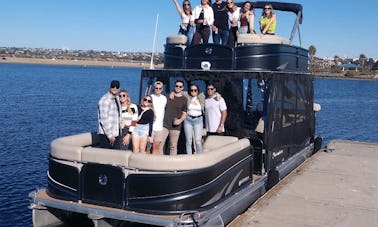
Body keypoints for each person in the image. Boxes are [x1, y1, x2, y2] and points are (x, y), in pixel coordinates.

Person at [161, 80, 188, 155]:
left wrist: (180, 120)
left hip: (176, 126)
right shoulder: (167, 96)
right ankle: (160, 161)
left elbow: (185, 113)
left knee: (173, 146)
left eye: (180, 86)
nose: (178, 87)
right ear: (174, 86)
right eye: (176, 86)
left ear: (182, 88)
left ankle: (172, 164)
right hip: (165, 124)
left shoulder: (184, 99)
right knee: (161, 143)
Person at [97, 80, 121, 149]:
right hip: (106, 135)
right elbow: (103, 119)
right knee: (106, 158)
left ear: (119, 88)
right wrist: (109, 135)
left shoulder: (116, 98)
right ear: (109, 87)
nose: (115, 88)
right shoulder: (105, 100)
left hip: (115, 134)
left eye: (117, 87)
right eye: (113, 86)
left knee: (115, 157)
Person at [183, 84, 205, 154]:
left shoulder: (201, 96)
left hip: (198, 120)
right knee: (189, 140)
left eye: (195, 90)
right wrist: (172, 93)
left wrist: (217, 94)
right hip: (188, 120)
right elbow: (179, 91)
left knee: (198, 141)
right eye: (191, 90)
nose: (193, 92)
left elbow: (211, 93)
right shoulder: (187, 96)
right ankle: (189, 158)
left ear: (198, 91)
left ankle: (200, 157)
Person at [151, 81, 167, 155]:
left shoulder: (164, 98)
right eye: (156, 88)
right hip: (151, 127)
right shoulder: (150, 97)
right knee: (148, 147)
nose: (158, 89)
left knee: (156, 147)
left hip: (159, 128)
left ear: (162, 89)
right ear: (154, 88)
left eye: (160, 88)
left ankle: (154, 164)